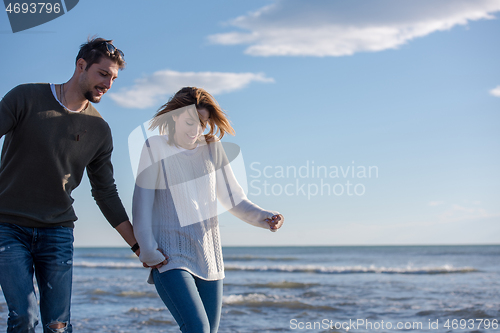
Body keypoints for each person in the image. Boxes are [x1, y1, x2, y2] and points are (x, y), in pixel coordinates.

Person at [0, 37, 140, 333]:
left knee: (58, 325)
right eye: (103, 74)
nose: (108, 84)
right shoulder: (25, 97)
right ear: (81, 66)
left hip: (58, 232)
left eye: (113, 78)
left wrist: (138, 246)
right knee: (24, 317)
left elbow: (105, 192)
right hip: (8, 226)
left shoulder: (99, 130)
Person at [132, 87, 284, 333]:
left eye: (202, 123)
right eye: (190, 122)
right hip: (171, 258)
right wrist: (148, 250)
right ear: (175, 116)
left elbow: (233, 198)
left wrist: (264, 217)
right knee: (198, 329)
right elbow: (142, 203)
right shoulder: (155, 147)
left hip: (210, 259)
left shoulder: (213, 148)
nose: (196, 130)